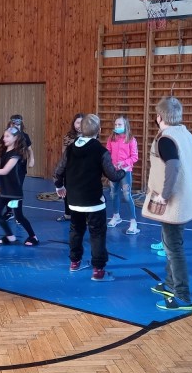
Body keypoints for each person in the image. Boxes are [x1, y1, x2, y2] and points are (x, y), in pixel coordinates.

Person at [143, 96, 192, 311]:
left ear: (159, 117)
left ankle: (182, 296)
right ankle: (170, 283)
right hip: (186, 198)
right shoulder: (184, 133)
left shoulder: (166, 139)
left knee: (174, 247)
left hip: (175, 200)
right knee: (171, 243)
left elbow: (173, 166)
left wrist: (164, 195)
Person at [53, 114, 125, 281]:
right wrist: (123, 171)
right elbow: (113, 175)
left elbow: (58, 170)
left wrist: (59, 186)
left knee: (75, 230)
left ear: (81, 129)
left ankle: (74, 262)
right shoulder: (101, 151)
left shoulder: (70, 149)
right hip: (94, 202)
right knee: (97, 234)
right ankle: (98, 270)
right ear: (98, 130)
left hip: (74, 201)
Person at [106, 115, 140, 234]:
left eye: (119, 124)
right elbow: (107, 152)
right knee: (113, 194)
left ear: (125, 125)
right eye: (115, 124)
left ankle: (133, 222)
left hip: (125, 171)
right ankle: (116, 216)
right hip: (113, 171)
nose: (117, 126)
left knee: (126, 195)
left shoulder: (131, 139)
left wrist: (124, 163)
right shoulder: (111, 138)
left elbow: (134, 157)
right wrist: (109, 165)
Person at [57, 113, 83, 222]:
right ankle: (68, 214)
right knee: (66, 192)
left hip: (82, 170)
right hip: (70, 168)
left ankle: (83, 216)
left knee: (81, 192)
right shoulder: (69, 136)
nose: (79, 125)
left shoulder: (89, 136)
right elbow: (64, 152)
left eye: (81, 123)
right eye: (77, 123)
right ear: (74, 124)